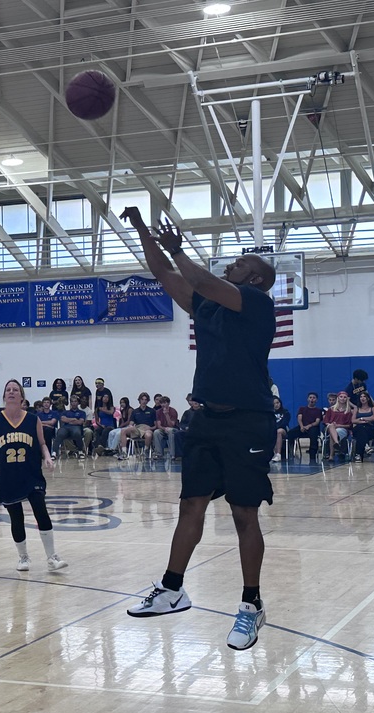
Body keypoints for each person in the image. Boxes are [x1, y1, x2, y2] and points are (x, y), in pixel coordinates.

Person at [121, 207, 276, 651]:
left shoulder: (258, 303)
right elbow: (164, 274)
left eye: (241, 263)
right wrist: (142, 230)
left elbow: (203, 280)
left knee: (244, 514)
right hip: (206, 419)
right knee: (191, 504)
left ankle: (251, 604)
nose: (232, 264)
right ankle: (172, 590)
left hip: (248, 420)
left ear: (255, 278)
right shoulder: (207, 305)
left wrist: (180, 250)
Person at [0, 379, 66, 573]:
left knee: (40, 509)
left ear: (21, 396)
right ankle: (23, 557)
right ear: (4, 396)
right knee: (16, 517)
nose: (11, 392)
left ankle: (52, 557)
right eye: (8, 390)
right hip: (7, 475)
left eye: (15, 389)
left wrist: (47, 457)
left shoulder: (32, 419)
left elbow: (42, 443)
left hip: (30, 473)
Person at [285, 392, 323, 463]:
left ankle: (312, 455)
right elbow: (299, 418)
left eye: (314, 398)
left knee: (313, 434)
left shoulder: (318, 410)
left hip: (313, 427)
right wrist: (302, 426)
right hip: (302, 427)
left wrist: (308, 426)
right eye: (310, 397)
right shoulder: (302, 409)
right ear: (307, 399)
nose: (312, 399)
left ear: (316, 400)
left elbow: (317, 421)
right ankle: (290, 451)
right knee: (290, 433)